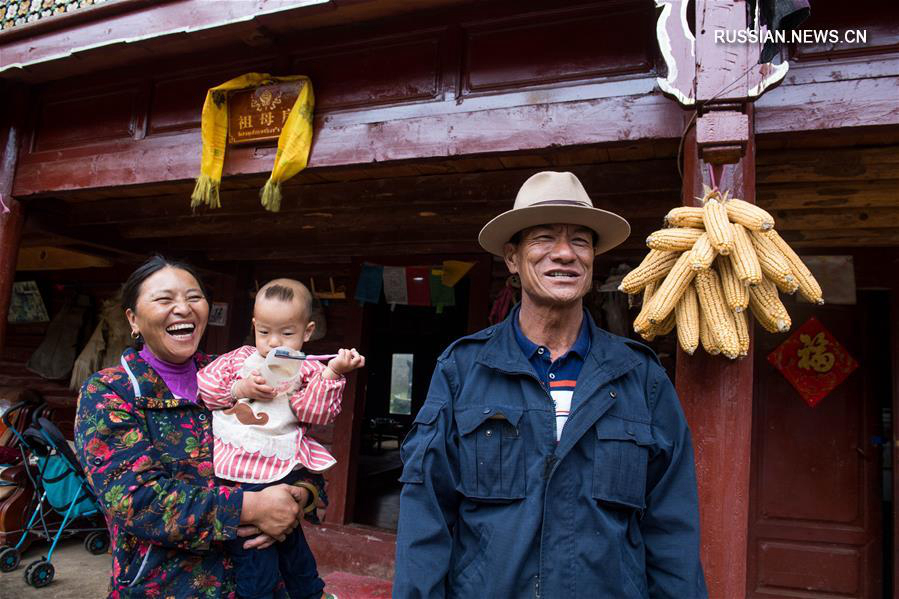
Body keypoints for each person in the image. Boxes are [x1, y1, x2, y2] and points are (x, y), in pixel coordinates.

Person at [393, 171, 708, 598]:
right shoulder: (463, 370)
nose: (564, 254)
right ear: (512, 258)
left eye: (580, 240)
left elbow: (673, 528)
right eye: (543, 238)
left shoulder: (640, 376)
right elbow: (426, 516)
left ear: (593, 259)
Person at [75, 256, 318, 599]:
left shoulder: (235, 375)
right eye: (164, 299)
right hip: (170, 586)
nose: (183, 309)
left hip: (266, 582)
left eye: (193, 297)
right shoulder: (111, 392)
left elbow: (295, 443)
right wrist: (254, 509)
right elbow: (135, 500)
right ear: (133, 319)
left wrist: (298, 496)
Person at [198, 279, 364, 599]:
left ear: (307, 331)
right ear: (254, 326)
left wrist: (333, 373)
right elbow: (205, 388)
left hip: (278, 471)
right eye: (265, 332)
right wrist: (239, 389)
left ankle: (310, 593)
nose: (274, 342)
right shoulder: (239, 360)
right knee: (256, 560)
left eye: (287, 333)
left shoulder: (305, 370)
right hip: (234, 472)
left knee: (297, 557)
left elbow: (316, 413)